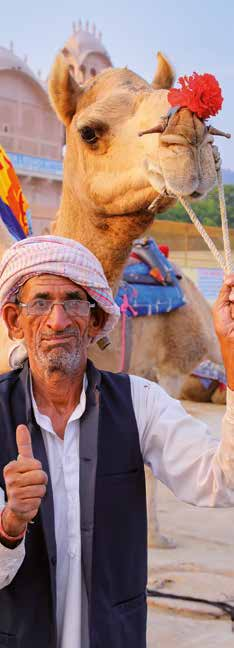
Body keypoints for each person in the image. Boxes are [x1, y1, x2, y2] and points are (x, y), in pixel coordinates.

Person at [0, 235, 234, 648]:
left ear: (94, 321)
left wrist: (232, 358)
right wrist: (11, 523)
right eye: (40, 302)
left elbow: (221, 480)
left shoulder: (139, 403)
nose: (57, 320)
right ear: (14, 320)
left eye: (74, 301)